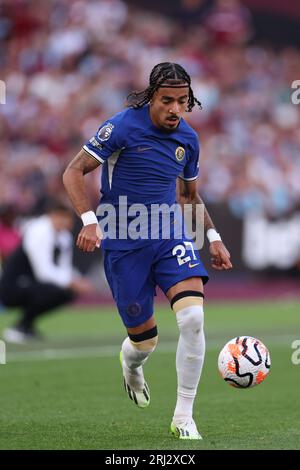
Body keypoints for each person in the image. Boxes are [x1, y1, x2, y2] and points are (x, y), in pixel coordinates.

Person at [63, 62, 232, 440]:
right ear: (151, 98)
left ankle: (183, 416)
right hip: (124, 242)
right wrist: (89, 219)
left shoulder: (187, 137)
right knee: (144, 341)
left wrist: (214, 235)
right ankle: (131, 362)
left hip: (170, 234)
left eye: (183, 101)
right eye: (167, 100)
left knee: (192, 320)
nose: (175, 109)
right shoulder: (122, 126)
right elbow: (73, 171)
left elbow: (188, 195)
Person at [0, 199, 93, 343]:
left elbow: (64, 268)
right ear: (52, 216)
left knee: (67, 293)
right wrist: (71, 282)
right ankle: (20, 327)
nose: (67, 222)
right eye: (63, 217)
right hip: (12, 287)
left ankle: (26, 325)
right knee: (56, 291)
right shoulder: (39, 231)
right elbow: (43, 272)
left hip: (33, 283)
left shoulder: (64, 237)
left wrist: (77, 280)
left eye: (69, 218)